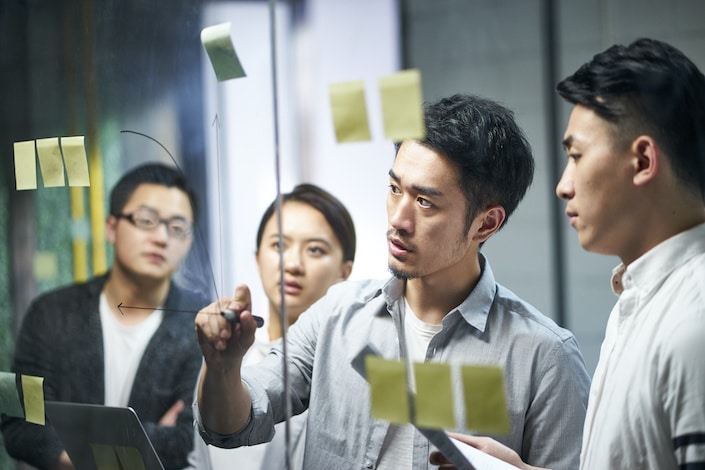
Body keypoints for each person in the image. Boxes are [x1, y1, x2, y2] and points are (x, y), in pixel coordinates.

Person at [194, 94, 591, 469]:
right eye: (394, 189)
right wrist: (223, 367)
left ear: (486, 223)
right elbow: (230, 427)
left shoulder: (544, 357)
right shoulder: (338, 315)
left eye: (425, 202)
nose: (398, 220)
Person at [430, 38, 705, 470]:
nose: (563, 185)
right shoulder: (642, 299)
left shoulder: (694, 323)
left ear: (643, 161)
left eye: (576, 156)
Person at [1, 162, 208, 470]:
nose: (162, 238)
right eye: (146, 220)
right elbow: (21, 423)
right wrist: (140, 443)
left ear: (189, 240)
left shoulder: (200, 326)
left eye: (177, 228)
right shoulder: (52, 313)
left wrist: (75, 442)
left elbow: (187, 441)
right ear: (112, 227)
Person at [187, 183, 356, 469]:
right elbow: (200, 462)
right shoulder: (225, 351)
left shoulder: (343, 372)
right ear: (258, 258)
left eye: (315, 250)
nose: (292, 264)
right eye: (279, 245)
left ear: (344, 272)